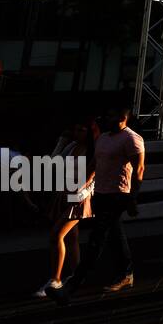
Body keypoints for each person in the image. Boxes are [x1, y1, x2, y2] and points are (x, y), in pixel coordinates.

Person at [54, 107, 145, 300]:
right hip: (101, 195)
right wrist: (83, 187)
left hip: (118, 195)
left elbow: (139, 170)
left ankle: (71, 286)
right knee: (114, 235)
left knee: (97, 239)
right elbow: (94, 165)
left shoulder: (131, 139)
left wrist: (132, 199)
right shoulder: (103, 138)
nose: (106, 119)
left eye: (111, 116)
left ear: (122, 118)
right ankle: (126, 273)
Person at [35, 120, 97, 298]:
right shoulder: (71, 145)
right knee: (71, 237)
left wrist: (77, 196)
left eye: (81, 129)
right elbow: (52, 163)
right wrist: (61, 141)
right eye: (75, 129)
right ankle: (76, 276)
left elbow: (92, 179)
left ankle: (56, 279)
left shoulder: (93, 151)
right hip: (63, 194)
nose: (77, 132)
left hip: (79, 197)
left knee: (57, 235)